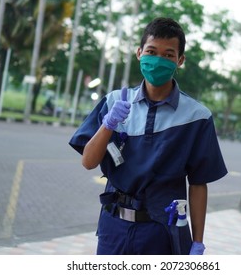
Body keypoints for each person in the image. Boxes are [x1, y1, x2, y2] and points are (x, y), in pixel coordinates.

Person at [69, 17, 228, 255]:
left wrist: (197, 241)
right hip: (114, 228)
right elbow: (88, 161)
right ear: (139, 53)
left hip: (163, 233)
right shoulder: (114, 102)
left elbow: (198, 184)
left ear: (180, 60)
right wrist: (109, 122)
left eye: (168, 55)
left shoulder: (197, 117)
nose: (158, 60)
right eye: (152, 51)